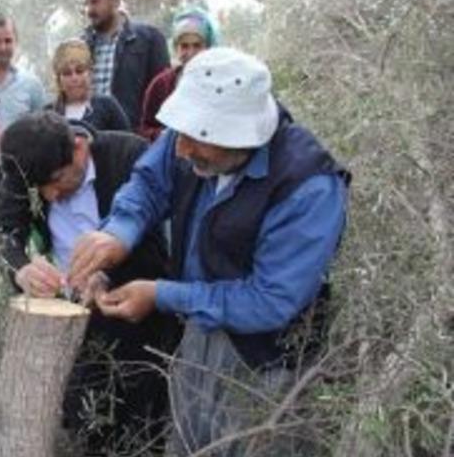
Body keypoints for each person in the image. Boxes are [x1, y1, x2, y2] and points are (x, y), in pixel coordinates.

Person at [68, 48, 350, 456]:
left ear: (241, 137)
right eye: (178, 133)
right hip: (198, 334)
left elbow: (270, 301)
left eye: (196, 139)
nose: (180, 149)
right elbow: (148, 184)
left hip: (266, 362)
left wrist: (161, 294)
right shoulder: (190, 138)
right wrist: (117, 235)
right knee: (188, 443)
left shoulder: (308, 187)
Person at [0, 112, 180, 454]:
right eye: (39, 189)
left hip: (131, 307)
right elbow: (3, 230)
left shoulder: (128, 154)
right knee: (86, 415)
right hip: (69, 315)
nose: (50, 196)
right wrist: (21, 269)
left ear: (78, 150)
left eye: (56, 181)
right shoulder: (28, 166)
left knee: (139, 413)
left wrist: (105, 272)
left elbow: (155, 245)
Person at [81, 0, 168, 128]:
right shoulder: (81, 45)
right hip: (90, 136)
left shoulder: (148, 39)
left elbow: (163, 92)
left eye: (95, 2)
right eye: (86, 4)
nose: (89, 10)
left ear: (115, 1)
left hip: (133, 138)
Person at [139, 7, 219, 142]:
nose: (191, 52)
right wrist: (166, 136)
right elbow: (145, 128)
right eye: (184, 46)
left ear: (208, 47)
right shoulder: (161, 84)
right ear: (176, 48)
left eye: (197, 45)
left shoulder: (219, 81)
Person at [0, 16, 46, 134]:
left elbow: (43, 132)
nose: (2, 47)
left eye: (8, 41)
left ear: (16, 42)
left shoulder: (32, 85)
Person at [45, 39, 131, 132]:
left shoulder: (108, 107)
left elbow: (127, 143)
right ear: (58, 78)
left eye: (79, 71)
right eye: (67, 73)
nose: (74, 78)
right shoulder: (48, 116)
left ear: (90, 73)